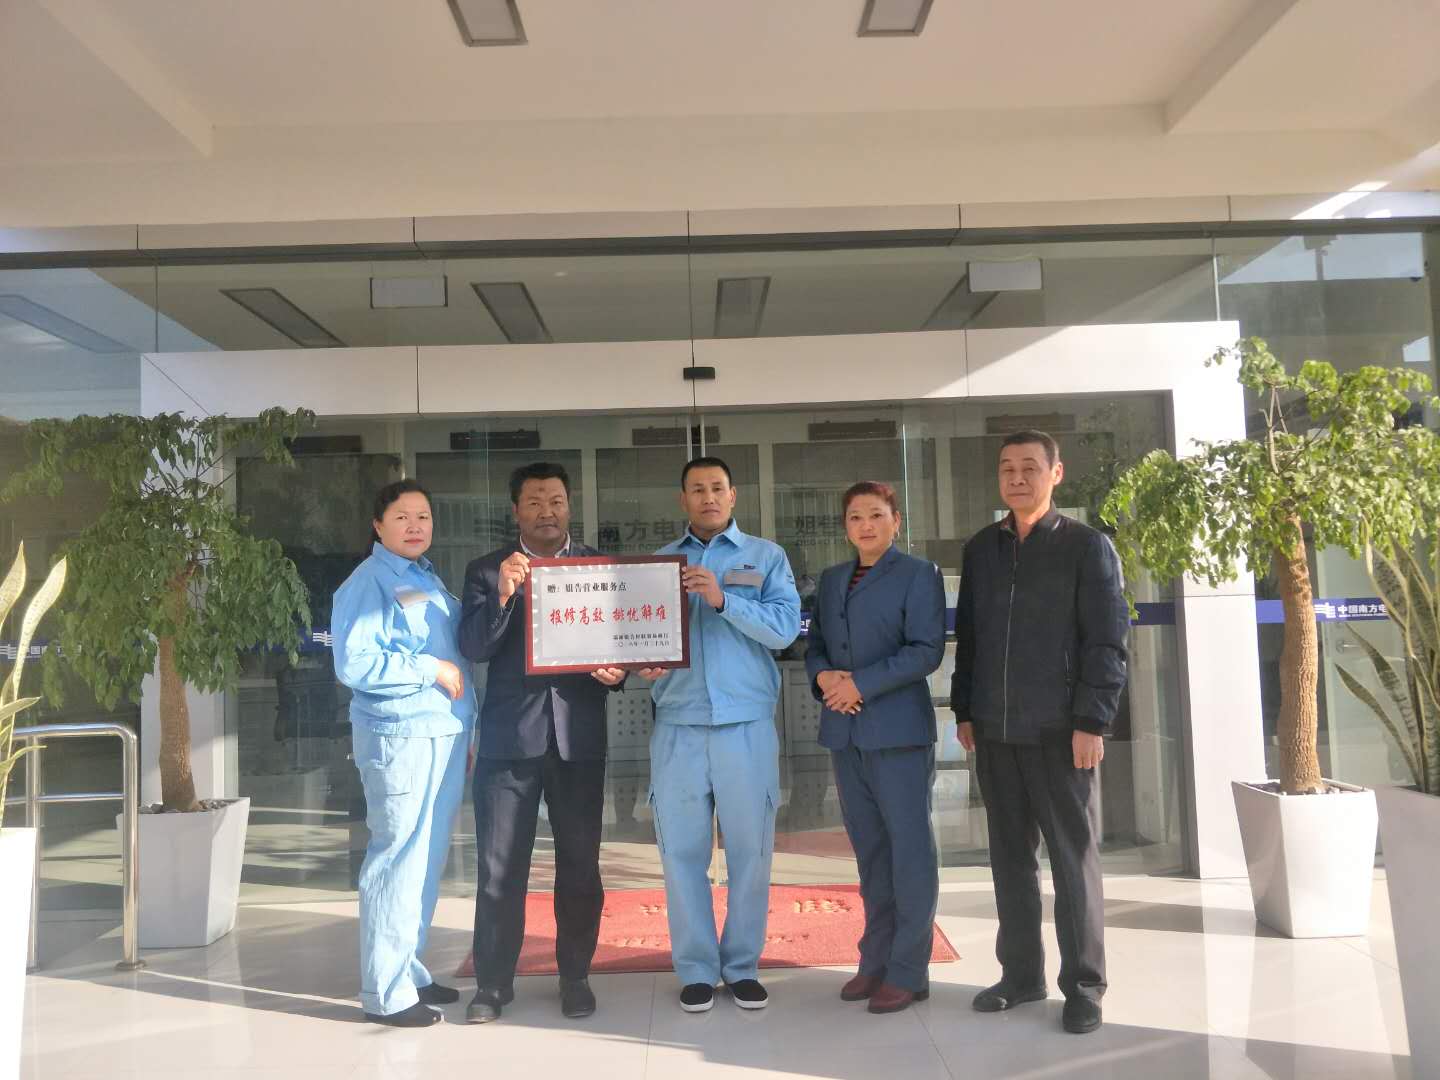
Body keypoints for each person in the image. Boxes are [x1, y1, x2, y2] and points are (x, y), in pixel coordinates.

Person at [950, 430, 1128, 1035]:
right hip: (995, 732)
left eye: (1030, 467)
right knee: (1009, 861)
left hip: (1061, 732)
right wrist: (965, 710)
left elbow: (1107, 641)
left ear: (1056, 473)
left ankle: (1084, 987)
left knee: (1073, 862)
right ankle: (1021, 975)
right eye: (1007, 468)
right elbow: (970, 639)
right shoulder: (982, 549)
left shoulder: (1086, 546)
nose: (1017, 477)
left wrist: (1092, 721)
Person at [458, 462, 625, 1024]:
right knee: (499, 869)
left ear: (569, 506)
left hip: (578, 739)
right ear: (516, 511)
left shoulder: (600, 568)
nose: (546, 511)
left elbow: (621, 642)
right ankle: (492, 984)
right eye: (534, 501)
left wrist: (618, 671)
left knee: (580, 866)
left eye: (555, 500)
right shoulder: (487, 571)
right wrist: (504, 595)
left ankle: (575, 976)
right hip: (509, 742)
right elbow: (474, 648)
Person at [633, 456, 801, 1013]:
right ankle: (697, 969)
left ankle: (743, 966)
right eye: (697, 489)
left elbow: (783, 631)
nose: (708, 497)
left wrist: (724, 599)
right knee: (681, 853)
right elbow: (636, 638)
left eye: (717, 488)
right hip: (678, 726)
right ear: (682, 500)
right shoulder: (658, 564)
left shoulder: (766, 557)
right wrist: (642, 664)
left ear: (733, 496)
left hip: (745, 727)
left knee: (751, 852)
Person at [332, 479, 475, 1027]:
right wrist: (427, 668)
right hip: (400, 737)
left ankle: (408, 970)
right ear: (378, 525)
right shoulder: (367, 582)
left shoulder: (426, 578)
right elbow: (354, 663)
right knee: (396, 857)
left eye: (423, 516)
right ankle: (386, 993)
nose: (415, 526)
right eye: (402, 517)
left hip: (441, 734)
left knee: (426, 859)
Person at [805, 481, 945, 1014]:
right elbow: (816, 644)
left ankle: (909, 970)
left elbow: (926, 650)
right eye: (856, 517)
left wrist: (860, 684)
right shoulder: (833, 579)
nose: (866, 525)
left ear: (896, 521)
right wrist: (824, 678)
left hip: (898, 732)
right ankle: (875, 960)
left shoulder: (918, 574)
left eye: (876, 515)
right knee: (870, 853)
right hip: (845, 732)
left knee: (910, 852)